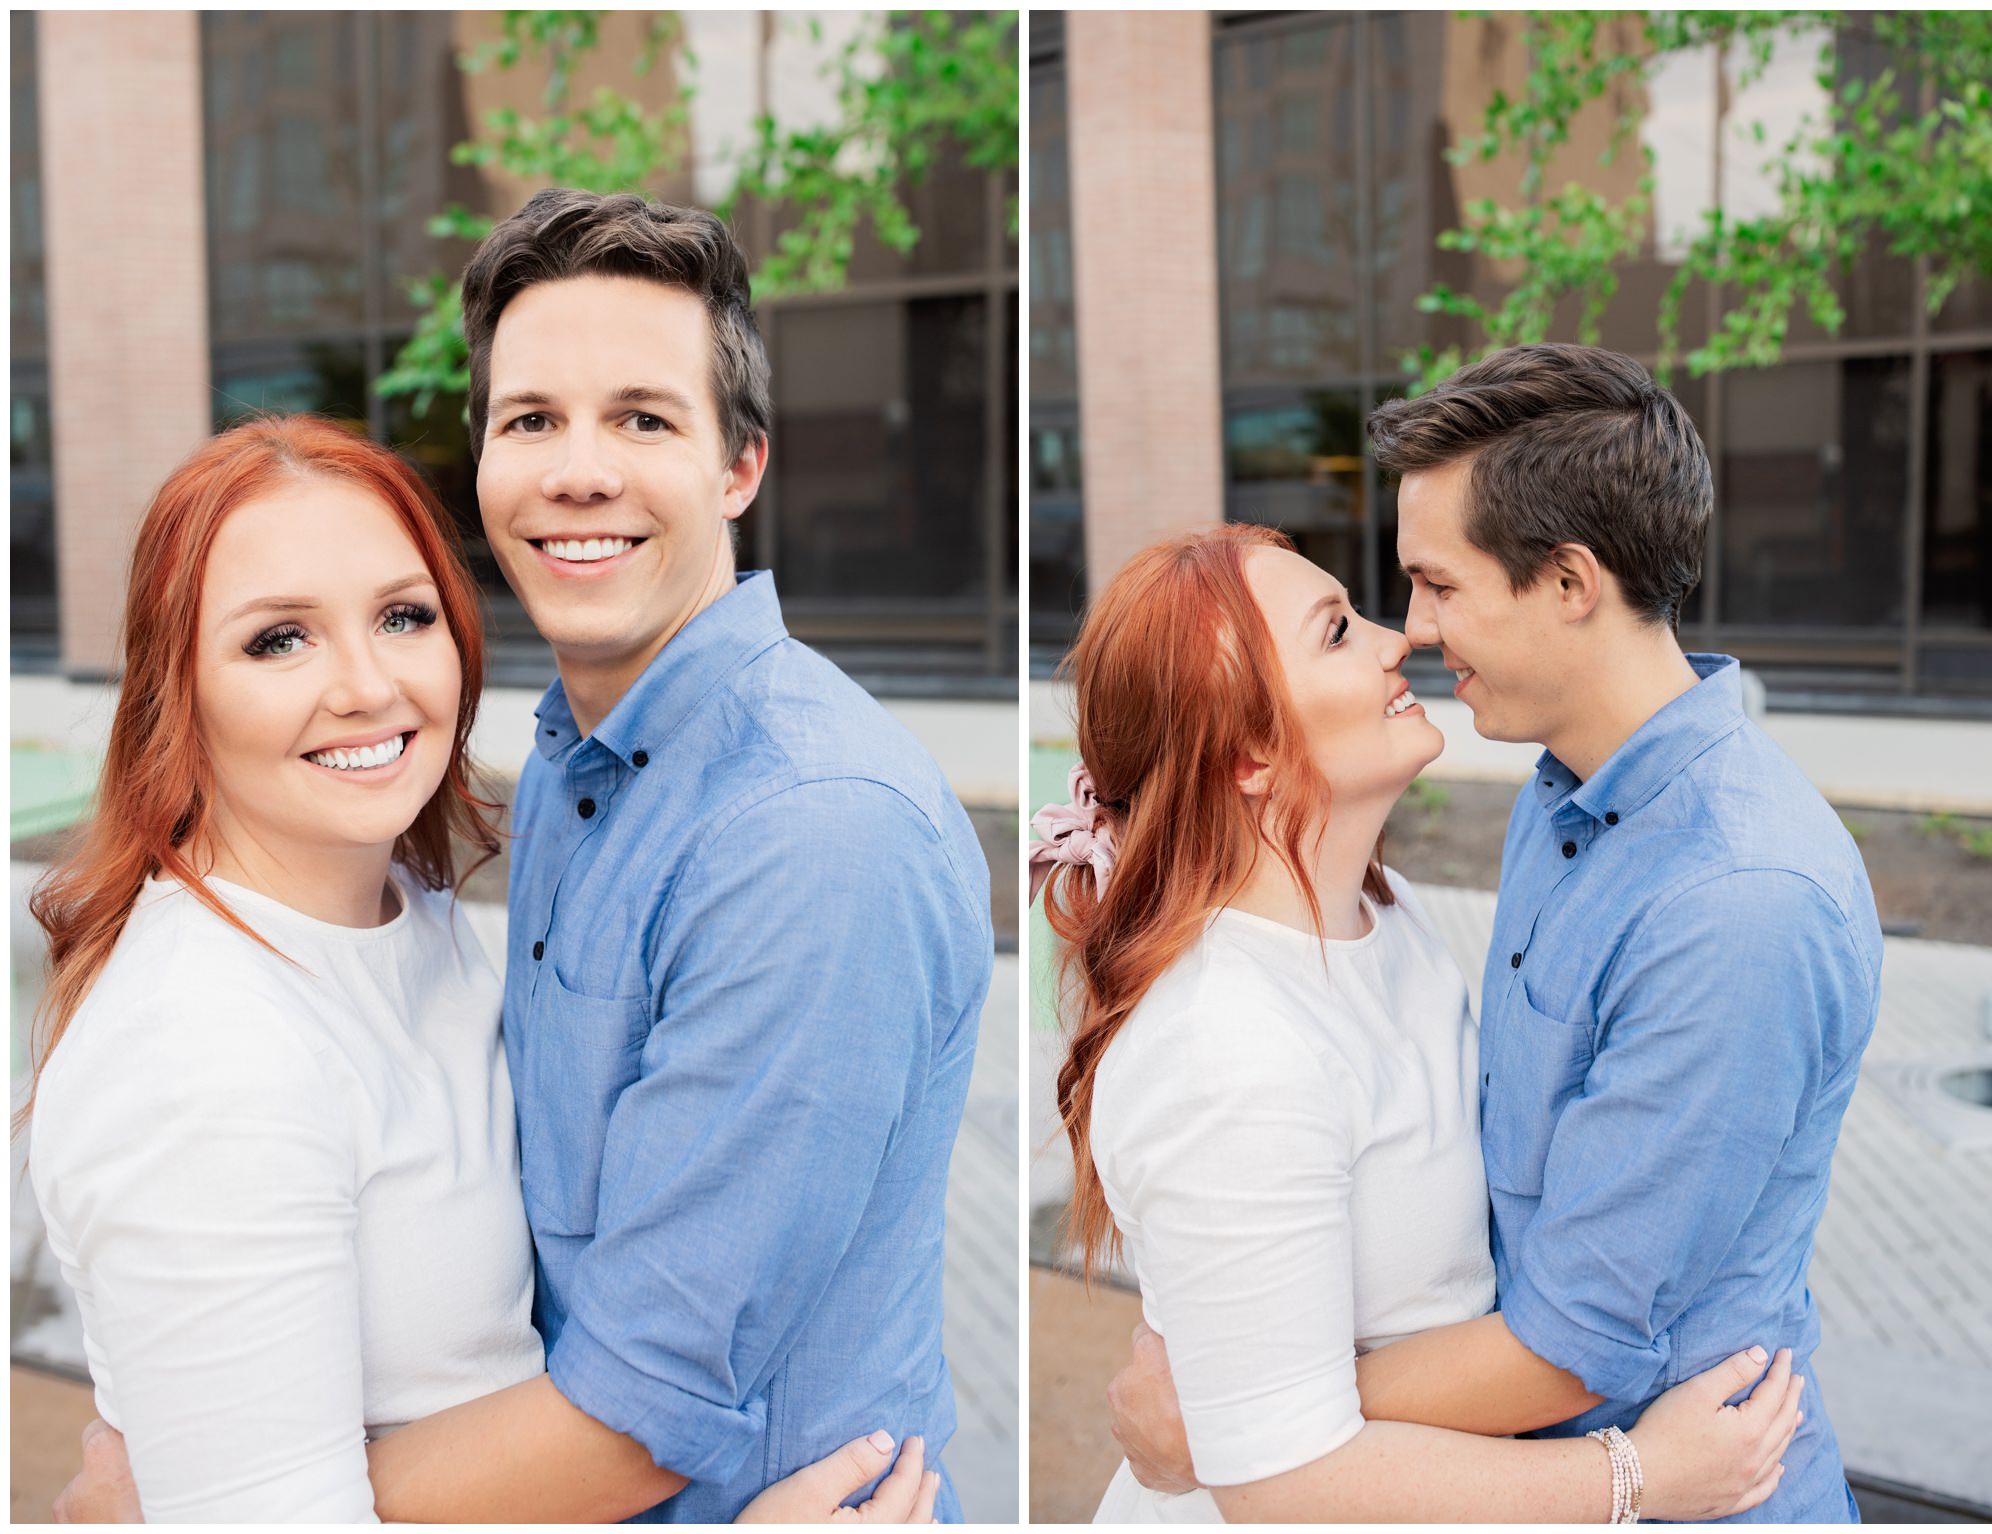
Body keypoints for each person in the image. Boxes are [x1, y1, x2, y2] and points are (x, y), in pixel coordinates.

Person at [27, 416, 937, 1523]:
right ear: (176, 692)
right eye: (278, 640)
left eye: (402, 616)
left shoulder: (416, 922)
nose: (366, 685)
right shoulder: (202, 1053)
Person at [1100, 346, 1882, 1522]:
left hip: (1692, 1484)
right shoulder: (1557, 797)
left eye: (1436, 584)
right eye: (1368, 606)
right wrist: (1248, 1402)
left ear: (1568, 583)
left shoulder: (1734, 903)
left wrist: (1234, 1412)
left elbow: (1573, 1345)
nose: (1407, 629)